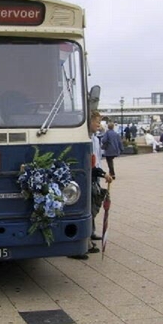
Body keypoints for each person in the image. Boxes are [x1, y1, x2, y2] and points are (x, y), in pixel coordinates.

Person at [69, 110, 113, 260]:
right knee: (86, 207)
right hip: (89, 176)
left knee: (92, 206)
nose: (99, 125)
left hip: (93, 176)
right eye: (97, 122)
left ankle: (88, 236)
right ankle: (82, 244)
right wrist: (102, 173)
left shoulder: (95, 138)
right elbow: (90, 163)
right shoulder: (86, 139)